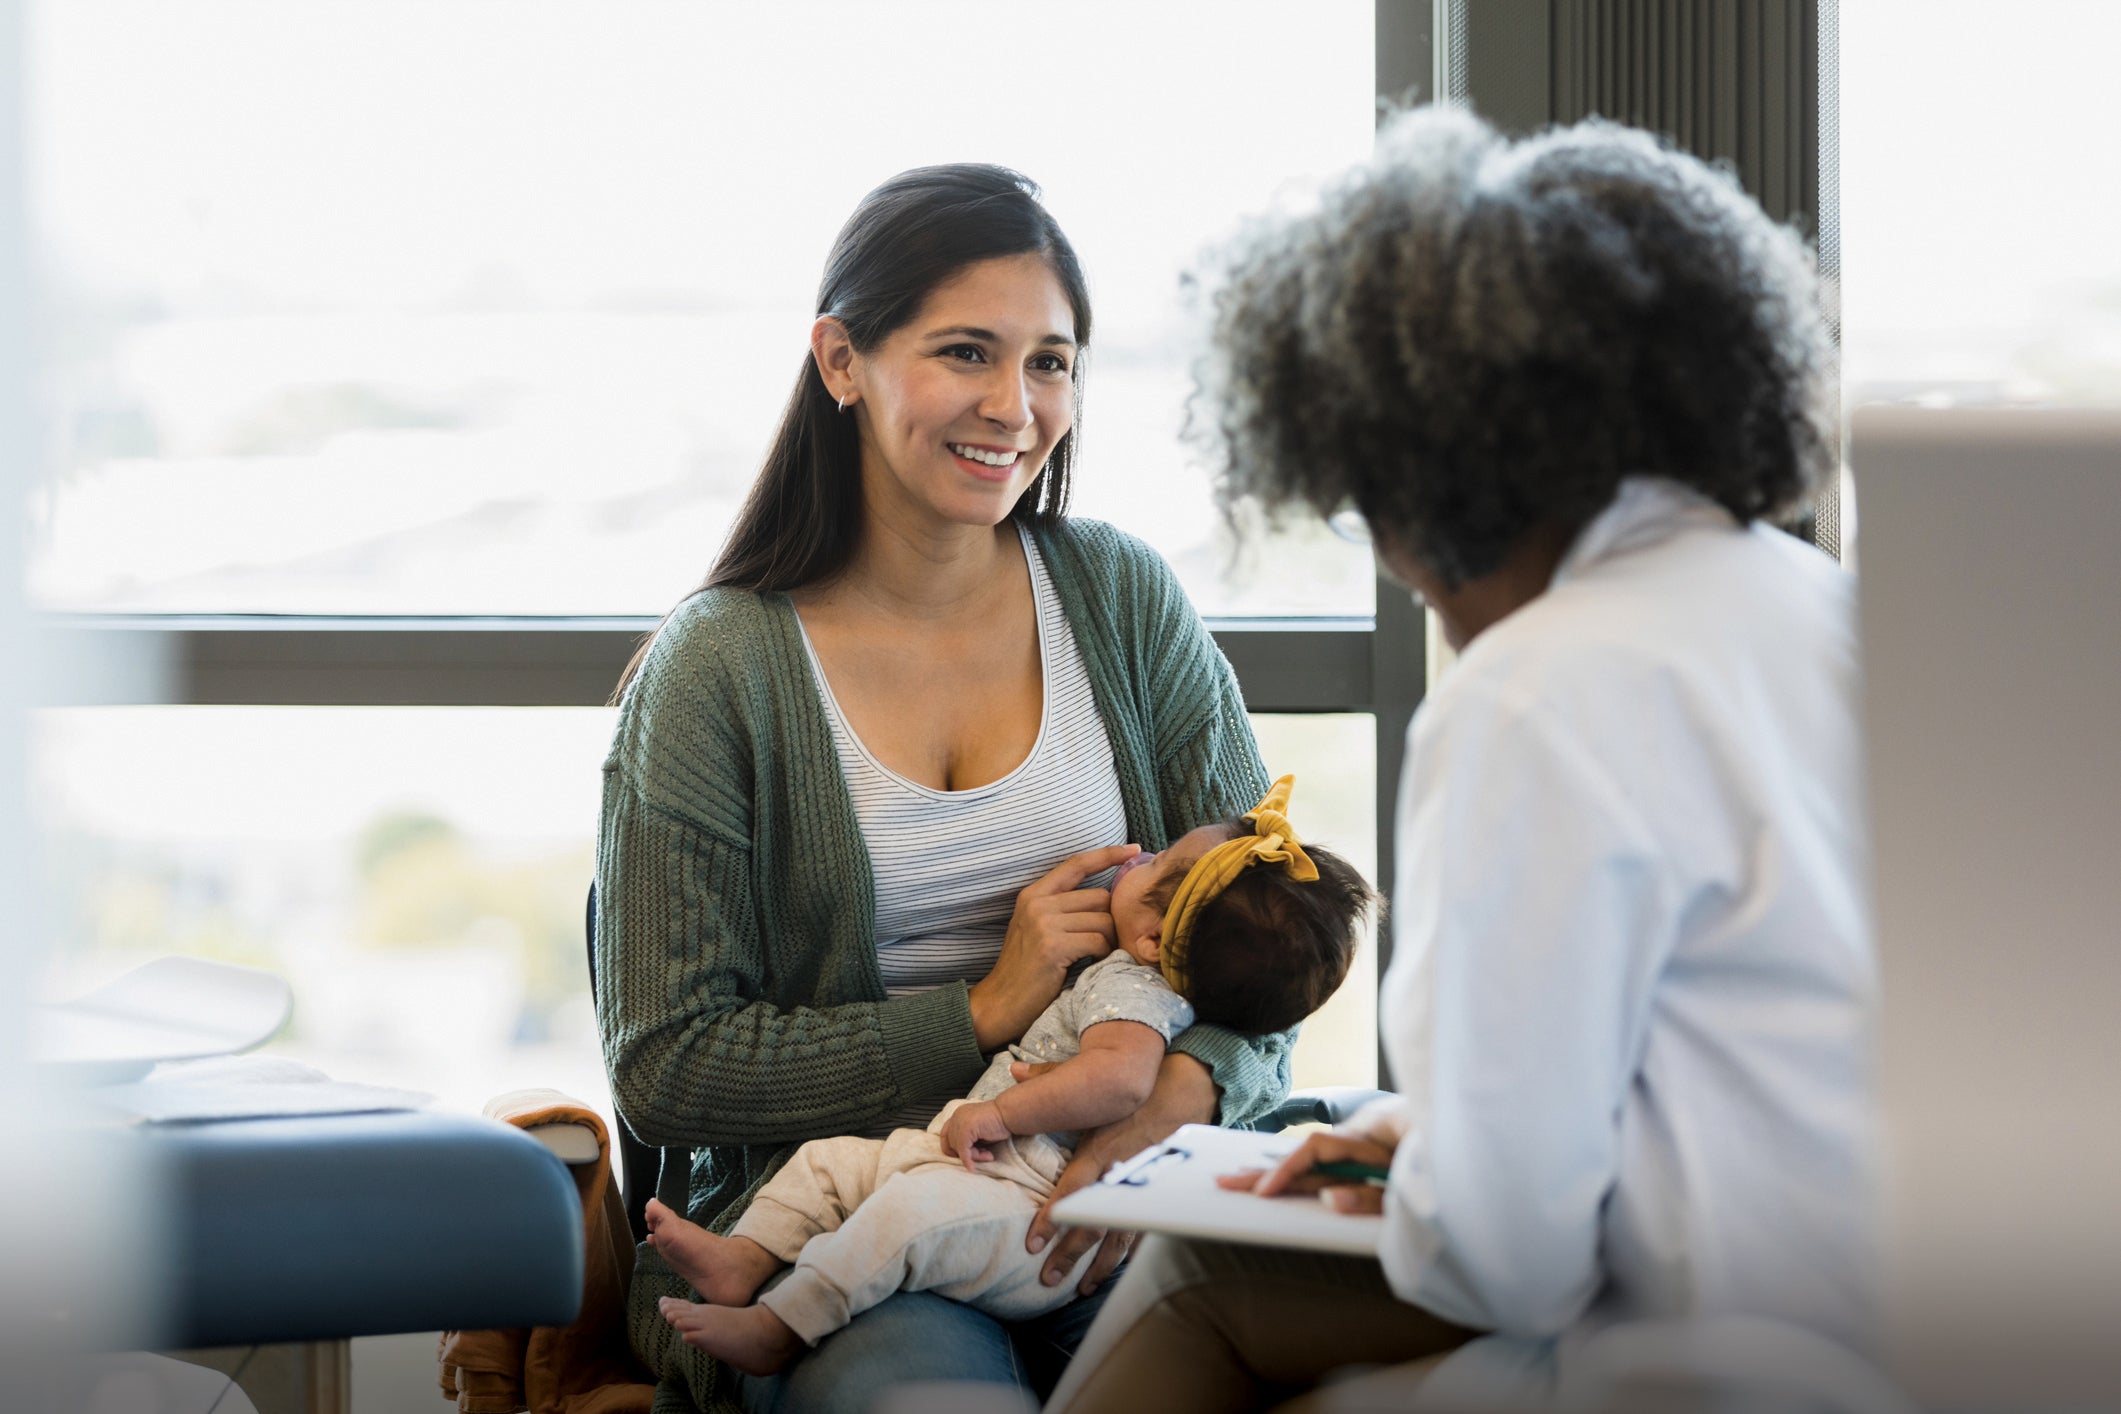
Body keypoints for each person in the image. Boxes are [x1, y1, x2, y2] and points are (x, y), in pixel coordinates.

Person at [1047, 107, 1877, 1413]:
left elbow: (1507, 1259)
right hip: (1895, 1320)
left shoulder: (1536, 692)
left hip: (1705, 1358)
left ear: (1419, 468)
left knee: (1203, 1266)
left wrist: (1429, 1183)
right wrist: (1413, 1147)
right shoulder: (1816, 608)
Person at [595, 163, 1291, 1414]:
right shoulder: (719, 670)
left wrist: (1162, 1110)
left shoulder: (1124, 601)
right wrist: (980, 1010)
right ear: (842, 360)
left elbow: (1273, 919)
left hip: (1119, 1196)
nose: (1014, 406)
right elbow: (668, 1063)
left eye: (1052, 362)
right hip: (846, 1245)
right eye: (967, 351)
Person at [644, 778, 1373, 1376]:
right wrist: (982, 1010)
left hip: (1026, 1207)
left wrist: (1011, 1112)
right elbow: (665, 1067)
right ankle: (744, 1260)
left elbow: (1121, 1082)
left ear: (1154, 938)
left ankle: (781, 1325)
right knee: (825, 1165)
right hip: (966, 1168)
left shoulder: (1135, 993)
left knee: (897, 1226)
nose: (1140, 855)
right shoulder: (1148, 977)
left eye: (1153, 867)